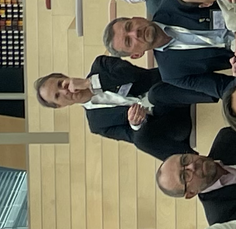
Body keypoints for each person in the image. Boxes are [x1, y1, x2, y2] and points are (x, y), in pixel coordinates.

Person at [37, 55, 193, 160]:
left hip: (167, 87)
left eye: (60, 84)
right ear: (60, 106)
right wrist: (136, 124)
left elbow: (134, 74)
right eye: (58, 96)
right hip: (169, 121)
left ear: (65, 77)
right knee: (140, 140)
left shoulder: (100, 66)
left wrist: (90, 83)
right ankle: (189, 160)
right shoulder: (98, 124)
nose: (64, 91)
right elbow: (132, 137)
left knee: (155, 94)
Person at [103, 13, 236, 105]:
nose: (135, 33)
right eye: (129, 41)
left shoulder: (175, 1)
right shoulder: (172, 73)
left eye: (129, 26)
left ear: (137, 18)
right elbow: (223, 88)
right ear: (137, 55)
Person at [159, 131, 236, 226]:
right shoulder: (220, 217)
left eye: (185, 160)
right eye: (185, 175)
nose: (192, 165)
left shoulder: (226, 139)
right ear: (191, 193)